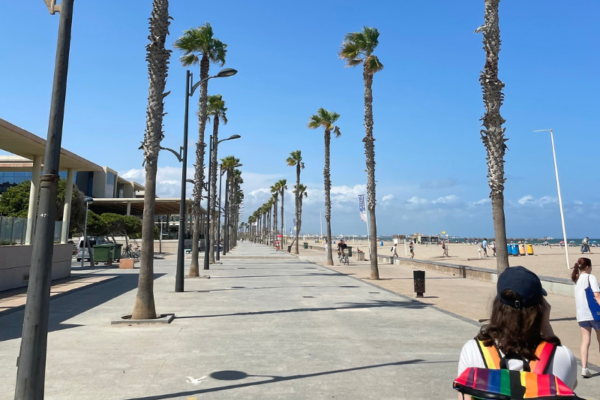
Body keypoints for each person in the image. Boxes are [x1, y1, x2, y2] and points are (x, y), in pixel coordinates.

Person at [457, 267, 577, 399]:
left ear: (497, 306)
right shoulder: (562, 357)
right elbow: (571, 385)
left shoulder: (472, 350)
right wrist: (546, 327)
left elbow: (464, 397)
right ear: (541, 310)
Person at [572, 257, 600, 378]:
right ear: (587, 267)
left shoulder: (577, 280)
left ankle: (584, 368)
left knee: (585, 341)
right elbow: (597, 295)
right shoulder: (590, 277)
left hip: (582, 315)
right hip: (594, 313)